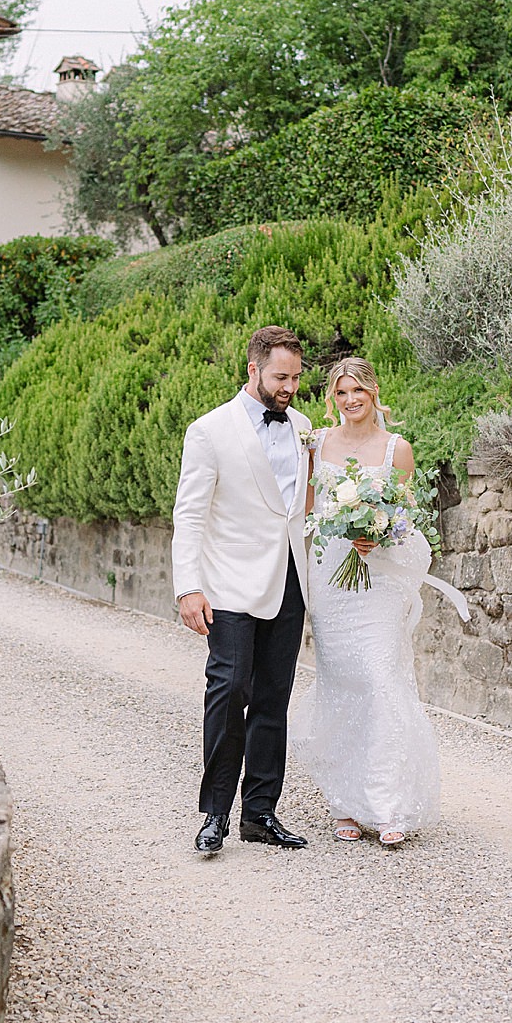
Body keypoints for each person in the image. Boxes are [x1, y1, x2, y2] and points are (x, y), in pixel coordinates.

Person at [291, 355, 467, 846]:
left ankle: (388, 803)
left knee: (380, 680)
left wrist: (379, 533)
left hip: (377, 584)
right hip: (331, 579)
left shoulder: (397, 450)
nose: (351, 402)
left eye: (359, 393)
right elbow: (307, 510)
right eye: (342, 393)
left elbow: (406, 521)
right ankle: (346, 804)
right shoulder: (317, 445)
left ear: (373, 393)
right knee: (341, 684)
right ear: (332, 398)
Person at [172, 326, 313, 855]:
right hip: (228, 584)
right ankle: (214, 815)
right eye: (281, 376)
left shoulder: (302, 427)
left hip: (289, 581)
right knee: (230, 693)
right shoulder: (208, 431)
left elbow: (301, 508)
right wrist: (189, 586)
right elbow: (189, 515)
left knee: (275, 698)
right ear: (253, 369)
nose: (290, 388)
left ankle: (261, 813)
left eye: (297, 377)